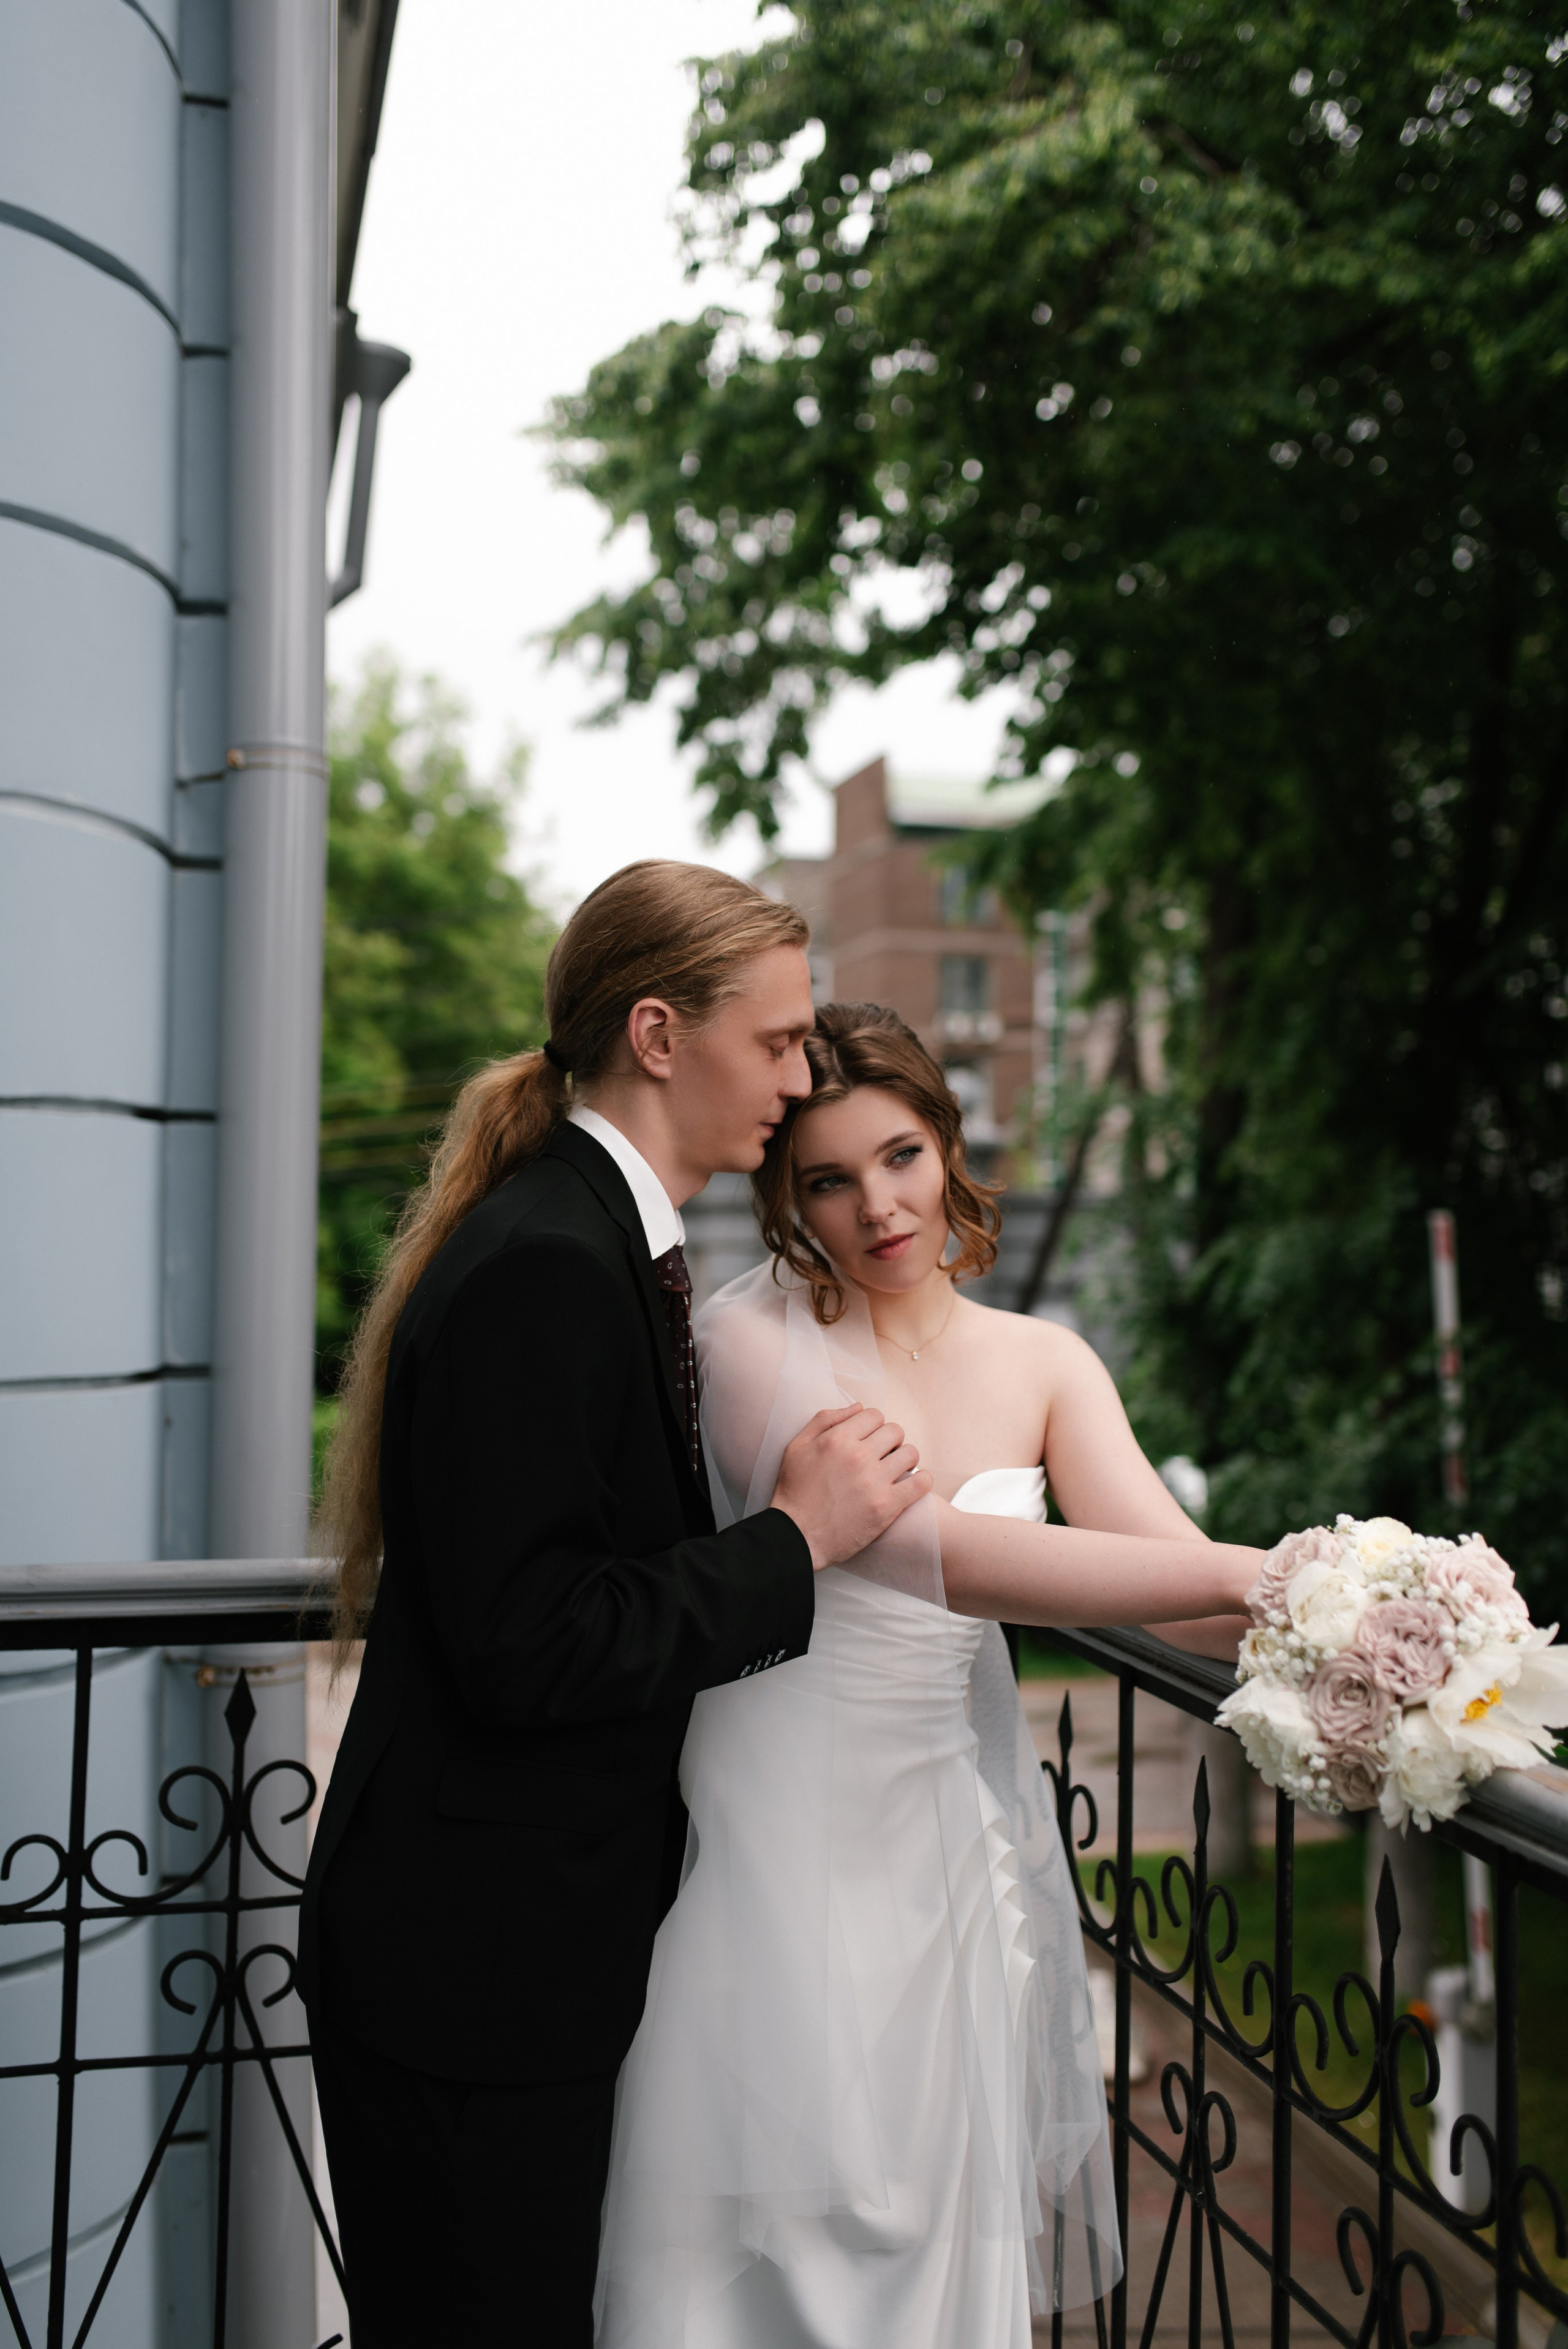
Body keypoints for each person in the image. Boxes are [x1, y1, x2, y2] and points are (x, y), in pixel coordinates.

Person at [299, 871, 937, 2346]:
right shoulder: (546, 1262)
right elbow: (530, 1638)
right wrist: (795, 1536)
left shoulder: (594, 1239)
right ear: (657, 1033)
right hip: (472, 1975)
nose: (799, 1074)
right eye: (775, 1040)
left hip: (511, 1956)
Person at [595, 1002, 1261, 2349]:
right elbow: (932, 1557)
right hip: (769, 1850)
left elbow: (1181, 1587)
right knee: (746, 2258)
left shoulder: (1044, 1361)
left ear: (948, 1141)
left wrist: (1357, 1620)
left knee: (930, 2263)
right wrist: (1268, 1571)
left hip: (942, 1862)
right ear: (786, 1197)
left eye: (898, 1156)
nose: (876, 1208)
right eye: (826, 1180)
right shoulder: (743, 1346)